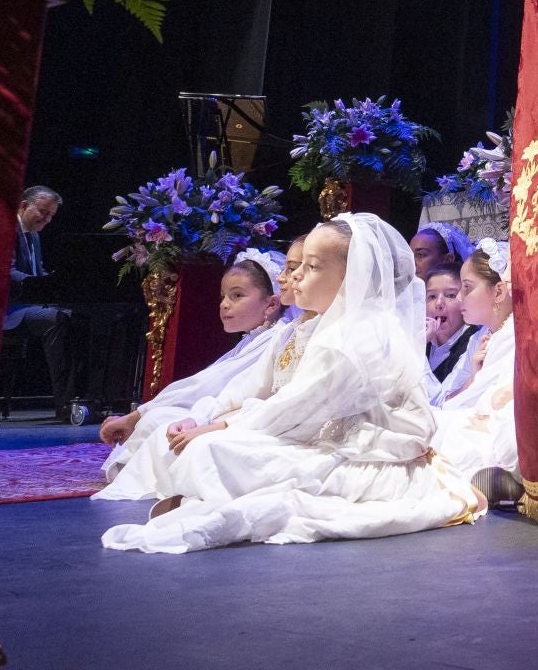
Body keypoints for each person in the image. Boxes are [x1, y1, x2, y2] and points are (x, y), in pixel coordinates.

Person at [100, 214, 481, 552]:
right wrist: (212, 419)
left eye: (312, 267)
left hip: (363, 452)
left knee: (214, 450)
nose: (295, 275)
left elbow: (292, 408)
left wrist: (219, 428)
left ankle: (203, 498)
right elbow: (255, 387)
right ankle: (199, 495)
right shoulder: (318, 326)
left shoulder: (356, 337)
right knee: (205, 444)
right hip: (321, 437)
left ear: (351, 277)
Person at [95, 246, 292, 499]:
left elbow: (205, 387)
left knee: (158, 419)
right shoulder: (253, 339)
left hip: (243, 416)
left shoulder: (274, 337)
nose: (224, 305)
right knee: (158, 416)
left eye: (237, 296)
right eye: (223, 296)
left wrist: (135, 416)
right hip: (220, 409)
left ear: (271, 304)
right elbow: (202, 383)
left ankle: (145, 478)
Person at [433, 238, 518, 504]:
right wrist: (473, 377)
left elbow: (506, 395)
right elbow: (452, 398)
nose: (459, 299)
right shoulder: (482, 338)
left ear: (498, 292)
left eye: (467, 288)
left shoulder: (513, 334)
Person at [4, 185, 77, 421]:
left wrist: (54, 283)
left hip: (29, 305)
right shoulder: (8, 229)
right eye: (44, 213)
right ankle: (64, 404)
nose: (47, 220)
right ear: (24, 205)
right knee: (55, 318)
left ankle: (81, 399)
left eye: (51, 216)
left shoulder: (34, 235)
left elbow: (40, 270)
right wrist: (39, 284)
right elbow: (8, 272)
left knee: (74, 314)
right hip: (9, 310)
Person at [423, 261, 476, 385]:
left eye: (451, 295)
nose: (439, 303)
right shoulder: (421, 338)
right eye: (432, 296)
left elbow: (444, 398)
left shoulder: (473, 343)